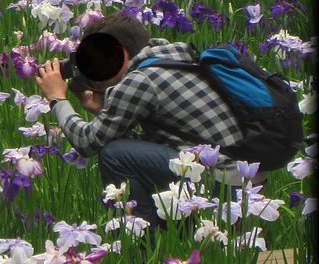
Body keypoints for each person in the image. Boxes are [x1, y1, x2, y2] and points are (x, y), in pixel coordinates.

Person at [35, 12, 265, 231]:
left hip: (221, 186)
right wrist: (102, 113)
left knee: (114, 155)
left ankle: (141, 243)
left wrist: (57, 98)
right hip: (241, 183)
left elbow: (87, 143)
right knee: (123, 154)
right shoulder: (175, 59)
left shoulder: (140, 80)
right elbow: (163, 144)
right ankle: (179, 240)